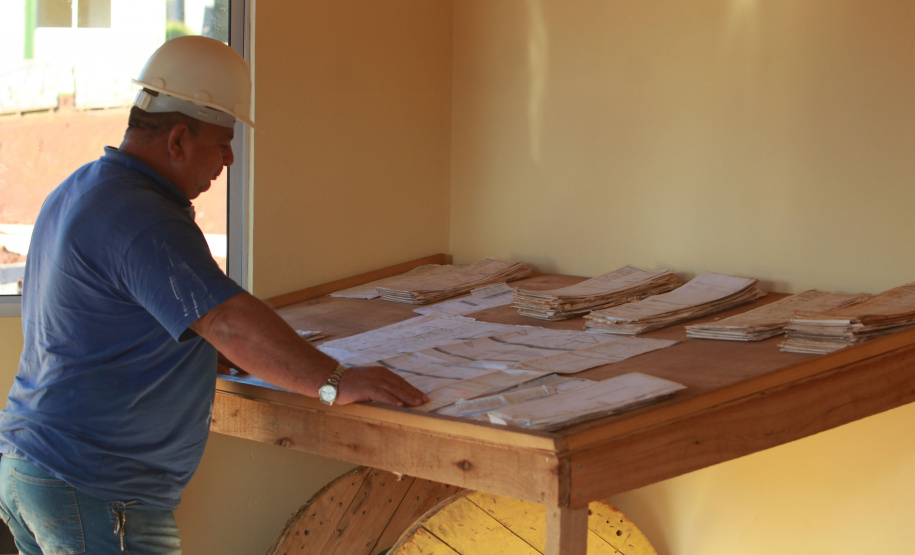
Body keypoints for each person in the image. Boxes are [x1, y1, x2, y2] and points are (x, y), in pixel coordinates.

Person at [0, 35, 427, 555]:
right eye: (222, 141)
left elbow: (112, 319)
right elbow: (227, 320)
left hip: (39, 467)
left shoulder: (84, 188)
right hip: (94, 488)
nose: (228, 157)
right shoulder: (142, 216)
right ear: (178, 138)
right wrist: (336, 380)